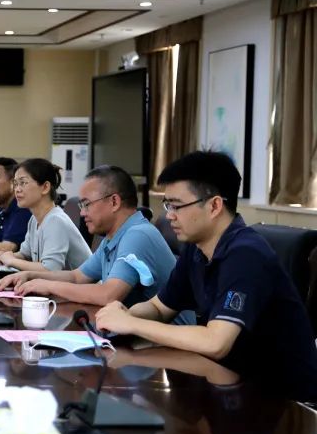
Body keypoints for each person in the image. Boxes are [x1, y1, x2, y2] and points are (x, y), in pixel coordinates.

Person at [95, 151, 317, 398]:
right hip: (227, 384)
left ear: (214, 206)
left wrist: (132, 323)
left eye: (177, 206)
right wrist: (119, 318)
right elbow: (160, 308)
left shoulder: (246, 255)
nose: (169, 215)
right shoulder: (196, 248)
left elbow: (216, 343)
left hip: (281, 400)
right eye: (168, 205)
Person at [0, 165, 178, 308]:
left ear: (114, 202)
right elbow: (77, 276)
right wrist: (30, 275)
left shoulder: (137, 235)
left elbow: (108, 295)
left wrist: (48, 286)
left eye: (87, 204)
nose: (82, 214)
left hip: (166, 347)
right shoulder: (113, 236)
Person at [0, 158, 91, 272]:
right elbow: (25, 254)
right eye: (15, 184)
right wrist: (6, 256)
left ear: (45, 187)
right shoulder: (34, 220)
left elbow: (50, 269)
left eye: (23, 183)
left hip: (84, 288)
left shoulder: (55, 220)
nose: (17, 189)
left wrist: (12, 261)